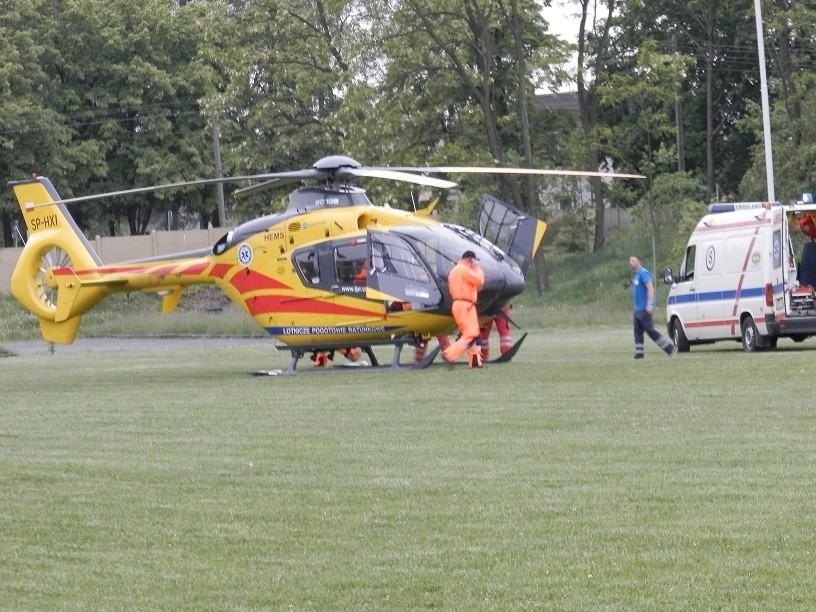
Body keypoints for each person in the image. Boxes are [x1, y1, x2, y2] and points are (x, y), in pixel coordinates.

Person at [442, 250, 485, 368]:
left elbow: (456, 289)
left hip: (458, 304)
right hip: (465, 306)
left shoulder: (455, 271)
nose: (474, 264)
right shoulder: (463, 270)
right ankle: (449, 354)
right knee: (472, 333)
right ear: (470, 259)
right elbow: (479, 280)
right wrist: (478, 268)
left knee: (469, 334)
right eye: (473, 261)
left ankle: (475, 360)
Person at [629, 255, 677, 359]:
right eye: (630, 261)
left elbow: (650, 287)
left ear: (639, 262)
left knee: (650, 330)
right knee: (637, 332)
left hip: (645, 309)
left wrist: (650, 304)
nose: (630, 262)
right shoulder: (636, 276)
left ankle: (670, 348)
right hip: (637, 309)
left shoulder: (643, 273)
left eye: (633, 260)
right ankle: (639, 353)